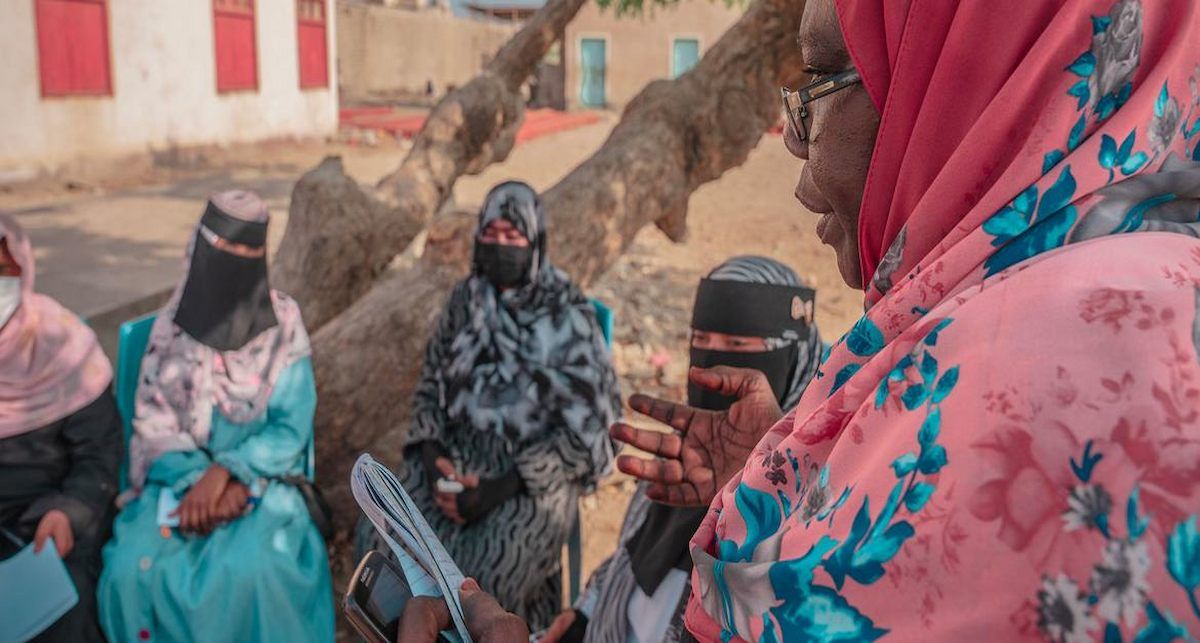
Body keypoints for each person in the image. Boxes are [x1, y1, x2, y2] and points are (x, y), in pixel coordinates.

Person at [608, 0, 1200, 641]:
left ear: (968, 90)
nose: (796, 148)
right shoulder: (1159, 293)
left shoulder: (1006, 369)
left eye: (823, 76)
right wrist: (810, 494)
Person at [377, 180, 621, 632]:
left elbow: (592, 431)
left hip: (530, 475)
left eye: (514, 237)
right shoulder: (465, 300)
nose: (500, 246)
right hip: (456, 454)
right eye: (491, 234)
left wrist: (500, 486)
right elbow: (431, 385)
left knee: (480, 582)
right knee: (390, 550)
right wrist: (434, 462)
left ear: (536, 242)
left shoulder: (568, 316)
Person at [540, 256, 824, 643]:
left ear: (793, 358)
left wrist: (764, 488)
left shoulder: (816, 494)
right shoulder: (679, 463)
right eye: (700, 340)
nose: (711, 359)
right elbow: (630, 549)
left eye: (737, 344)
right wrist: (587, 612)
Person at [98, 191, 334, 642]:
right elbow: (154, 425)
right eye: (224, 251)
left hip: (264, 482)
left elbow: (290, 428)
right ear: (200, 250)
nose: (237, 263)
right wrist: (197, 483)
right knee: (131, 572)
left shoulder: (282, 327)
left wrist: (229, 474)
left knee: (252, 572)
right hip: (175, 483)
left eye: (250, 253)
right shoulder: (171, 330)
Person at [0, 215, 121, 643]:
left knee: (63, 616)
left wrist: (68, 510)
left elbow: (100, 453)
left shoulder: (63, 344)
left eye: (3, 269)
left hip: (48, 523)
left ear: (22, 266)